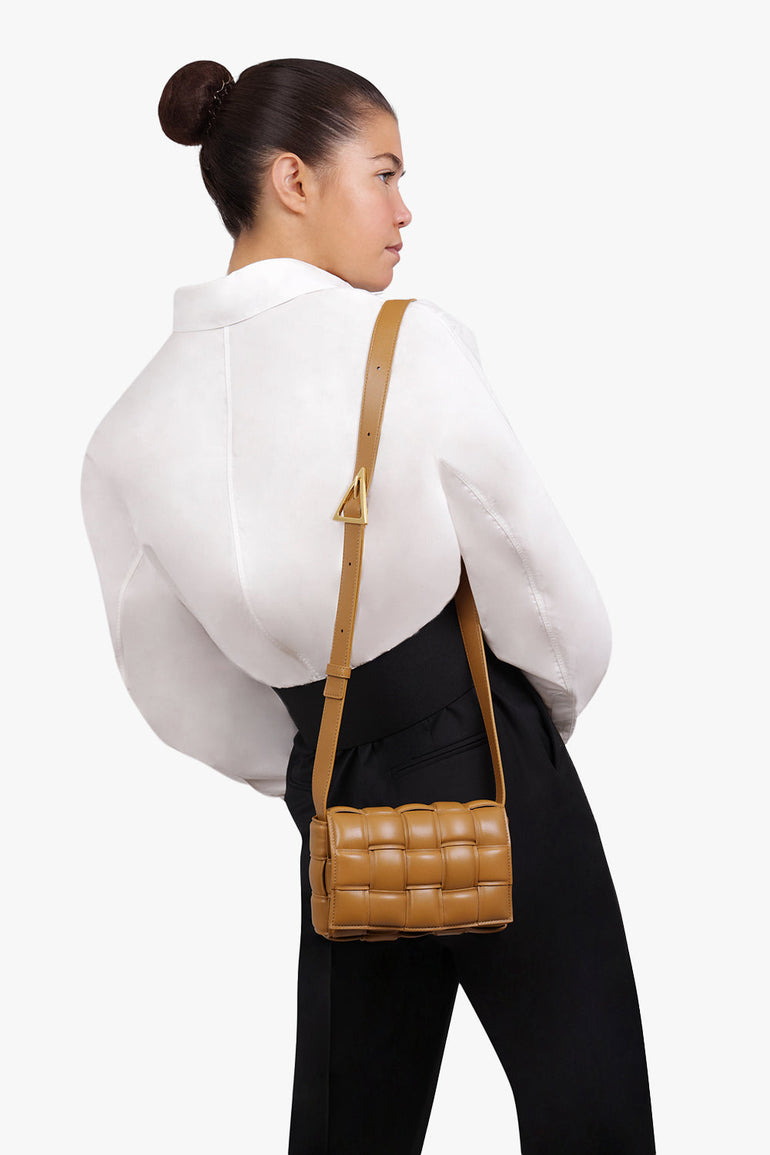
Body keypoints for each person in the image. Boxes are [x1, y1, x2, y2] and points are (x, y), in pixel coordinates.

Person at [80, 57, 656, 1155]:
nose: (404, 210)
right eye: (384, 173)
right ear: (293, 180)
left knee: (352, 1126)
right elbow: (540, 586)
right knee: (590, 1113)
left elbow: (173, 687)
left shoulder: (124, 433)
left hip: (333, 792)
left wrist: (318, 768)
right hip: (491, 757)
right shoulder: (405, 342)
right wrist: (531, 735)